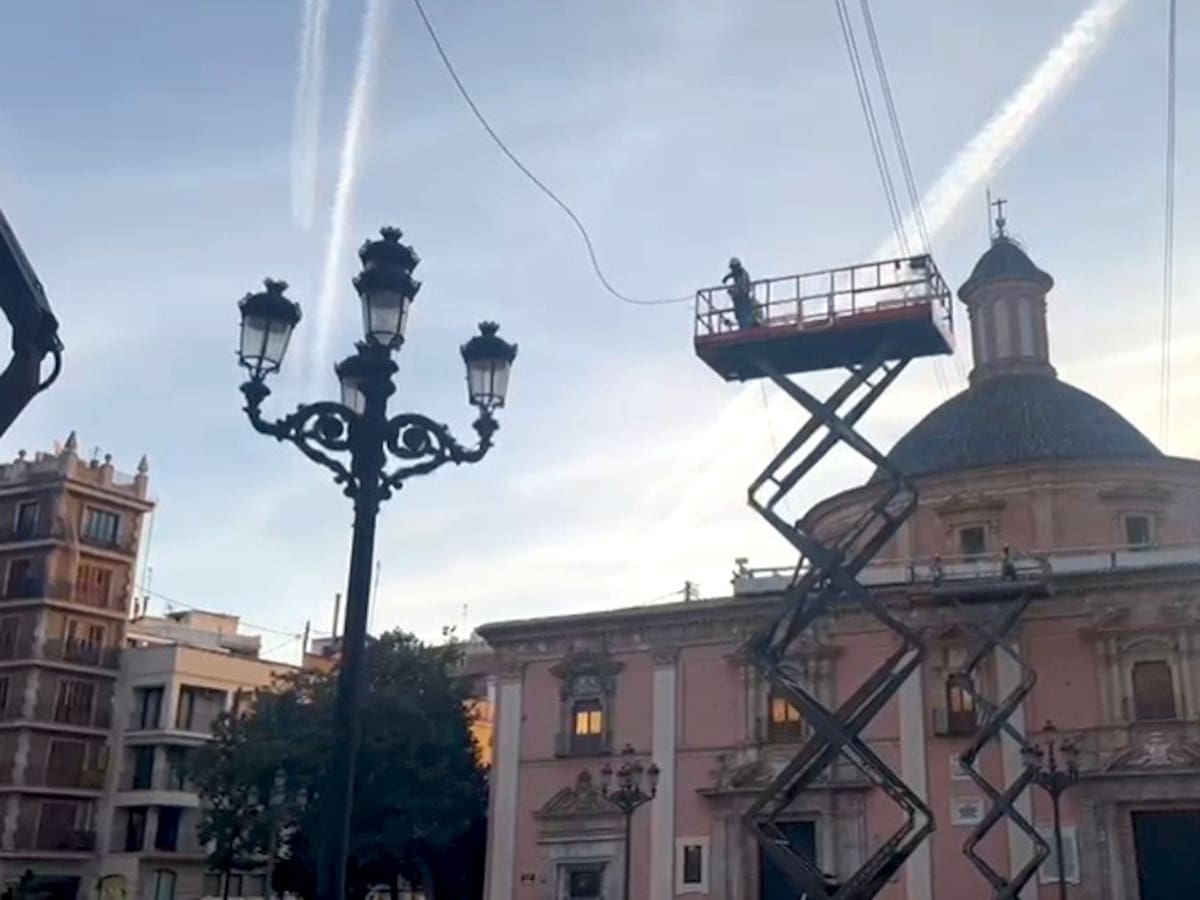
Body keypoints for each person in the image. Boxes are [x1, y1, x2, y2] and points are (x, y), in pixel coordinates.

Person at [723, 257, 760, 329]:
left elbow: (741, 287)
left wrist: (733, 291)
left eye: (733, 268)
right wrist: (726, 277)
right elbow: (732, 275)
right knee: (739, 315)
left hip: (743, 298)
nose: (732, 270)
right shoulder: (737, 274)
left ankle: (748, 327)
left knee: (744, 315)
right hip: (739, 299)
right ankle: (744, 326)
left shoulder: (743, 275)